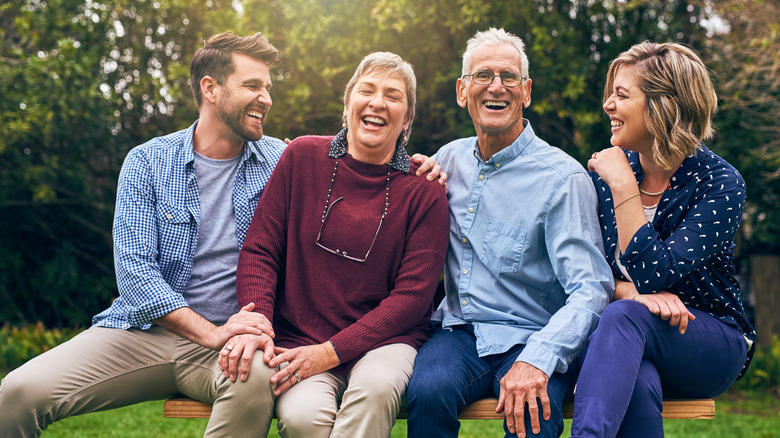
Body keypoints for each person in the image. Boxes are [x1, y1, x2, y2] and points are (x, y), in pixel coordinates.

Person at [0, 32, 441, 437]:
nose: (266, 99)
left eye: (268, 87)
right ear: (211, 89)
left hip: (239, 343)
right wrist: (213, 333)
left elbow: (354, 168)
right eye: (253, 86)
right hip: (145, 331)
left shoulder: (283, 158)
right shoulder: (147, 162)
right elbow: (135, 275)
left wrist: (421, 163)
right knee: (13, 395)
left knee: (253, 380)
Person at [218, 51, 449, 438]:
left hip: (386, 343)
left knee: (375, 390)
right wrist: (258, 325)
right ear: (348, 104)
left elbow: (412, 298)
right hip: (299, 341)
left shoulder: (425, 191)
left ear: (407, 120)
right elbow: (260, 251)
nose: (377, 102)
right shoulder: (302, 157)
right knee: (302, 418)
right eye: (367, 90)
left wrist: (329, 353)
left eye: (393, 96)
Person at [405, 28, 614, 438]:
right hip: (459, 333)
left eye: (509, 76)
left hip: (534, 334)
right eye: (483, 75)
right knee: (427, 392)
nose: (496, 86)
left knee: (536, 410)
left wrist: (539, 357)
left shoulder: (563, 178)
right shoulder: (446, 160)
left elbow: (591, 289)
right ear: (463, 91)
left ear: (527, 91)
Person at [571, 42, 756, 438]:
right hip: (628, 337)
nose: (608, 104)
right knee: (636, 380)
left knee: (623, 320)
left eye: (622, 95)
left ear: (663, 105)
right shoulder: (603, 178)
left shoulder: (720, 183)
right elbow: (581, 273)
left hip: (709, 338)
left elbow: (657, 275)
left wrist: (624, 187)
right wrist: (628, 293)